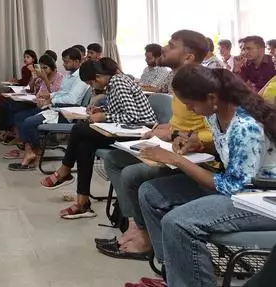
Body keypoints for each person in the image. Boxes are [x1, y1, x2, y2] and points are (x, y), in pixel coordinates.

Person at [126, 65, 276, 287]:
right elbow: (230, 155)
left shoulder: (245, 125)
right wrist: (201, 146)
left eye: (191, 103)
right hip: (239, 189)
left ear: (212, 97)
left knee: (179, 222)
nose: (189, 108)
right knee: (150, 193)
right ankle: (175, 273)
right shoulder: (215, 116)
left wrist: (178, 160)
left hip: (260, 199)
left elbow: (234, 187)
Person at [98, 30, 213, 260]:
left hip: (194, 156)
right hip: (175, 144)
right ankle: (134, 224)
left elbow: (212, 131)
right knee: (113, 158)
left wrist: (178, 134)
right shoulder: (178, 81)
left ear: (189, 57)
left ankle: (144, 237)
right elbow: (180, 123)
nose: (165, 49)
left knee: (132, 175)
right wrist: (165, 129)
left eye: (171, 45)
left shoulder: (202, 84)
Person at [40, 58, 157, 219]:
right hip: (123, 129)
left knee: (79, 129)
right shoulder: (112, 83)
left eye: (90, 83)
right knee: (84, 146)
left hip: (139, 131)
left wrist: (104, 116)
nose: (92, 87)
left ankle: (65, 170)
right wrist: (100, 109)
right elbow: (120, 108)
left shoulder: (118, 83)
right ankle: (83, 203)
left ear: (98, 77)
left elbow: (132, 116)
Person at [5, 54, 63, 170]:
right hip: (39, 105)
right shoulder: (41, 77)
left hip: (50, 108)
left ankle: (35, 149)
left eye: (45, 68)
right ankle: (28, 149)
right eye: (41, 68)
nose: (43, 71)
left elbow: (55, 93)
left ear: (53, 68)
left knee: (27, 121)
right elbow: (31, 90)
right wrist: (35, 77)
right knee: (18, 116)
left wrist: (45, 79)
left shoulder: (59, 77)